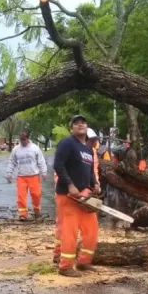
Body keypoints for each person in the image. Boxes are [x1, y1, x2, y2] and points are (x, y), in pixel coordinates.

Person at [53, 114, 100, 278]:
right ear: (71, 127)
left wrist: (95, 184)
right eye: (76, 123)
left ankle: (84, 261)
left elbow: (90, 171)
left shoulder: (87, 148)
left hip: (85, 197)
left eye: (83, 122)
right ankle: (65, 266)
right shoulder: (67, 143)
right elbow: (58, 165)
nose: (80, 125)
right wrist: (70, 185)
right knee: (69, 232)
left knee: (92, 230)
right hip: (68, 196)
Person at [6, 130, 48, 220]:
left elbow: (41, 161)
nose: (22, 141)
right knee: (21, 196)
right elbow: (12, 162)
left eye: (24, 139)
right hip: (21, 177)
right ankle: (23, 215)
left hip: (34, 175)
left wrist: (44, 172)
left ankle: (37, 211)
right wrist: (9, 173)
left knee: (36, 195)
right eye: (21, 139)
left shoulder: (35, 148)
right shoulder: (16, 149)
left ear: (28, 138)